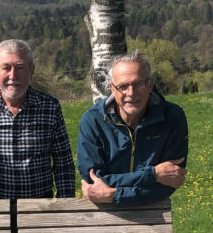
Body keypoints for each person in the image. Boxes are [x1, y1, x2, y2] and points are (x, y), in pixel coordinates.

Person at [0, 39, 75, 198]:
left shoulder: (49, 107)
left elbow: (63, 164)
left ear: (31, 71)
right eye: (6, 68)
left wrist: (65, 206)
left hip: (40, 205)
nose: (13, 76)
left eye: (20, 68)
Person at [77, 52, 188, 206]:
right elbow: (94, 181)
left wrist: (114, 195)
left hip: (152, 212)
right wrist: (153, 175)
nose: (131, 93)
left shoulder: (172, 117)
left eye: (138, 84)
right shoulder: (93, 121)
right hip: (103, 214)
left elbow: (171, 181)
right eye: (123, 86)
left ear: (150, 84)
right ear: (112, 88)